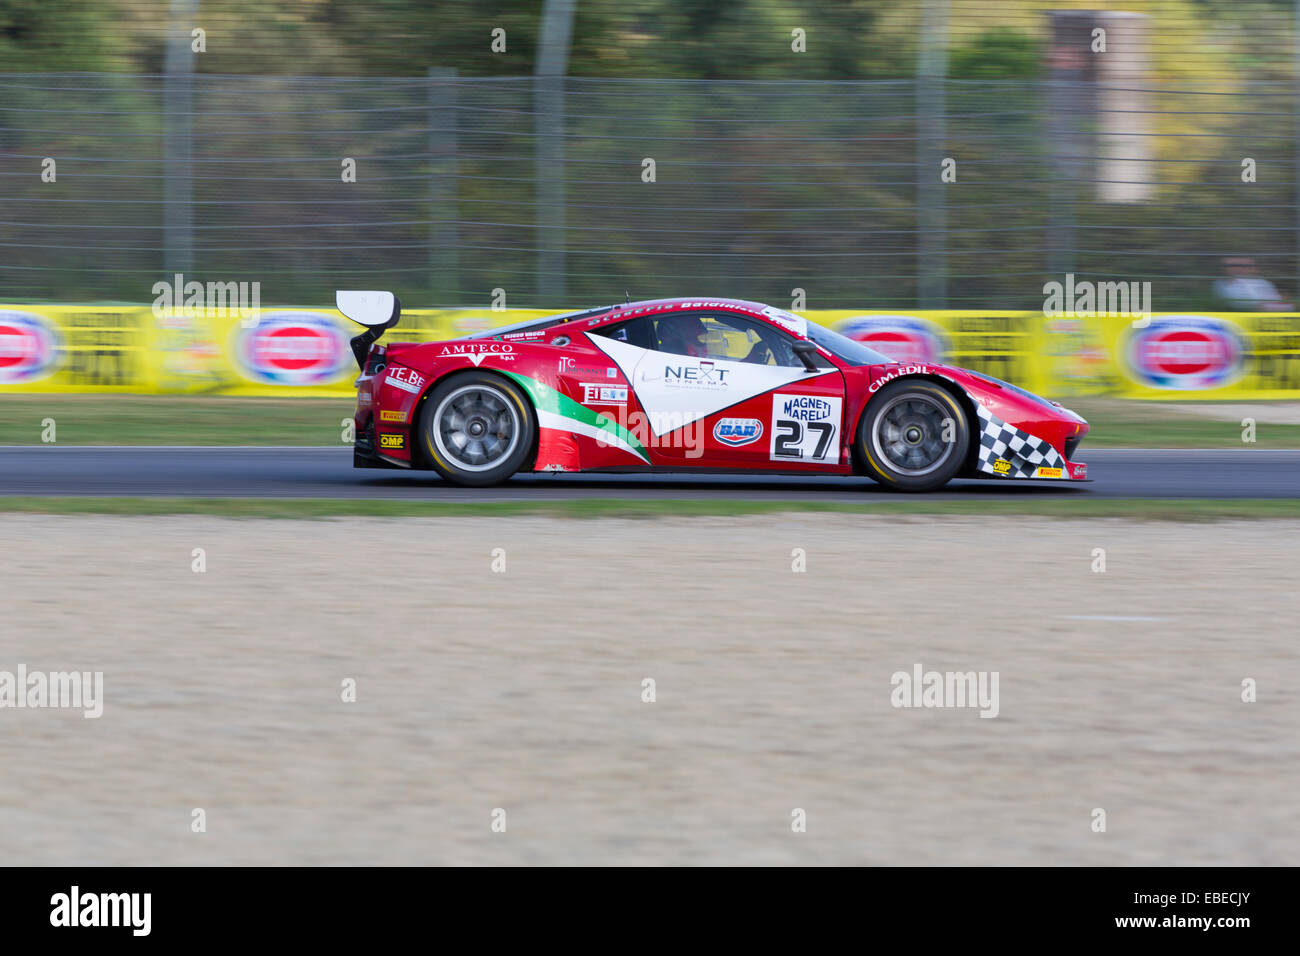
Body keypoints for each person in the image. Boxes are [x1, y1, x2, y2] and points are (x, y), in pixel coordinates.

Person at [1212, 256, 1292, 310]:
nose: (1238, 268)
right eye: (1231, 265)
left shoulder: (1263, 283)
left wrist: (1283, 300)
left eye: (1249, 266)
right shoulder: (1221, 285)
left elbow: (1277, 301)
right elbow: (1234, 305)